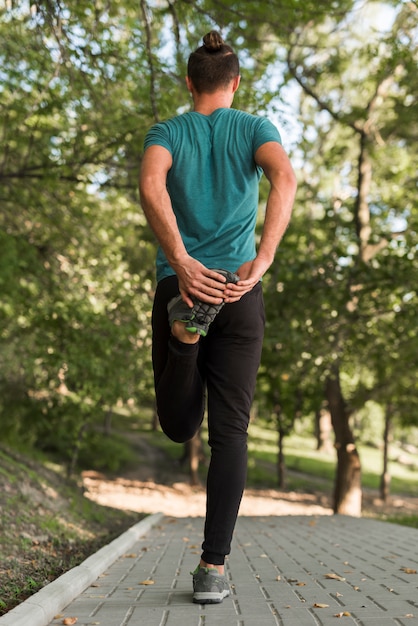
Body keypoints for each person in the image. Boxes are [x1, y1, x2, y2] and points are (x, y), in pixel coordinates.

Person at [139, 30, 296, 604]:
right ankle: (212, 570)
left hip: (180, 286)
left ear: (189, 83)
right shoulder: (256, 128)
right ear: (234, 83)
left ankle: (184, 338)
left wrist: (181, 261)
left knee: (179, 426)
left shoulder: (167, 132)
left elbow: (150, 182)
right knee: (231, 433)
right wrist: (265, 258)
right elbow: (285, 176)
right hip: (238, 289)